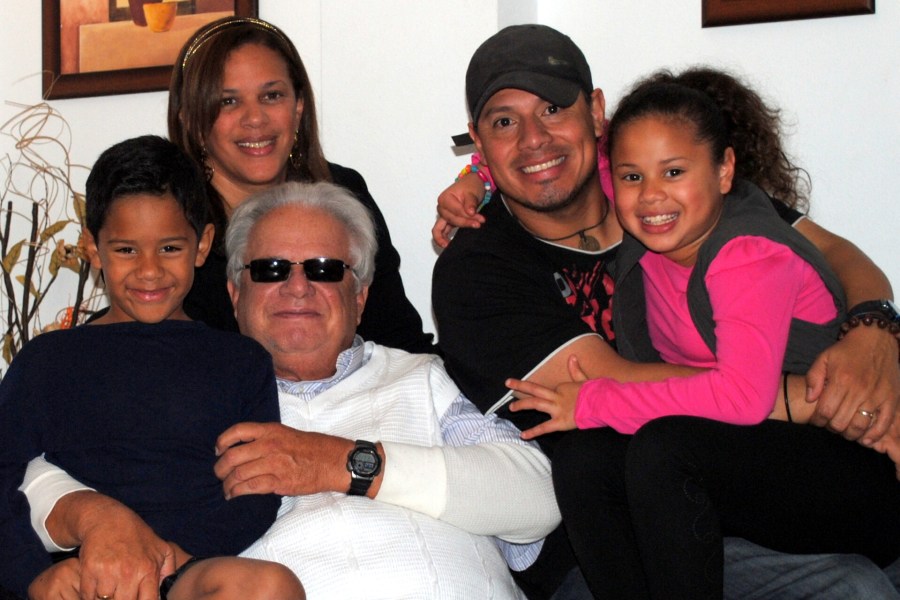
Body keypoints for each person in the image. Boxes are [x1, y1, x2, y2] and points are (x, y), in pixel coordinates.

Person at [431, 24, 900, 599]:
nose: (534, 140)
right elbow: (610, 383)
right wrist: (829, 399)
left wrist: (874, 333)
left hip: (746, 468)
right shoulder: (478, 271)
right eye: (505, 122)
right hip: (613, 526)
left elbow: (835, 255)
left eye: (553, 109)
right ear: (479, 140)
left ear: (595, 113)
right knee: (596, 454)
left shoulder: (660, 178)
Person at [22, 181, 559, 599]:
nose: (297, 287)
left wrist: (344, 464)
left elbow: (538, 496)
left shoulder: (419, 377)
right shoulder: (184, 390)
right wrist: (95, 515)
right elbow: (34, 469)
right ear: (235, 294)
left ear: (360, 296)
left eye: (324, 269)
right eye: (271, 269)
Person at [0, 136, 303, 600]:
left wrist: (167, 557)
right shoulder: (47, 360)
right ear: (93, 248)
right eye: (126, 250)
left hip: (182, 569)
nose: (149, 271)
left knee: (272, 585)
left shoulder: (240, 361)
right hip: (81, 573)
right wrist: (33, 577)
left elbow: (256, 492)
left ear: (202, 245)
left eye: (169, 249)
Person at [170, 16, 434, 352]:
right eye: (228, 101)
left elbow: (397, 339)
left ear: (298, 107)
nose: (255, 118)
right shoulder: (171, 223)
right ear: (191, 121)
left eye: (272, 96)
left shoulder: (343, 195)